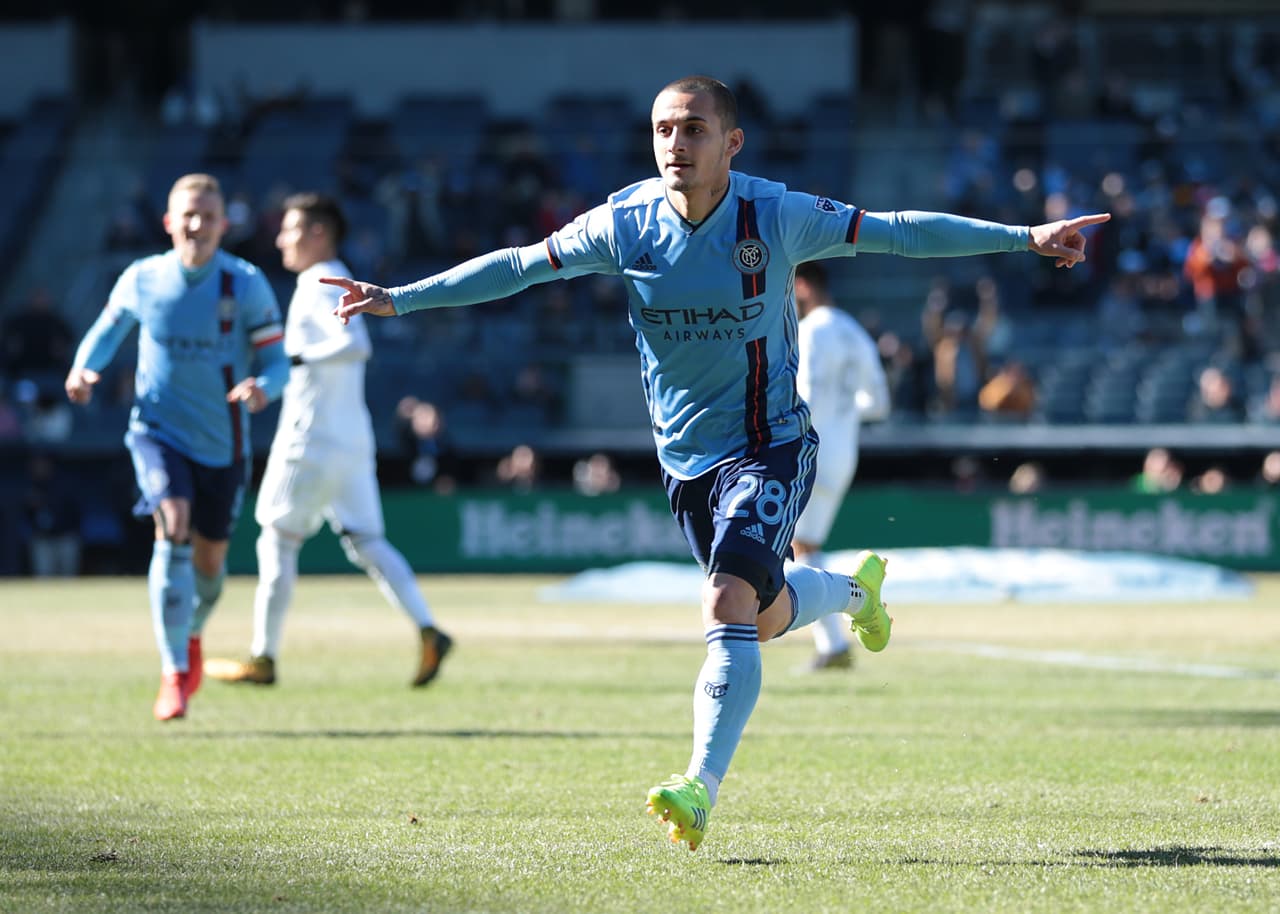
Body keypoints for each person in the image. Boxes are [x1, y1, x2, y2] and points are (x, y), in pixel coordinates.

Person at [321, 76, 1108, 851]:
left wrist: (1023, 238)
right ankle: (852, 592)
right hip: (686, 462)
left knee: (725, 600)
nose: (676, 143)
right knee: (758, 617)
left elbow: (899, 230)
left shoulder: (775, 215)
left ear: (732, 143)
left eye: (694, 129)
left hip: (770, 444)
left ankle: (699, 788)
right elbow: (521, 266)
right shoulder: (624, 223)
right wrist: (401, 297)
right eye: (664, 129)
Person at [65, 173, 291, 721]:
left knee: (210, 568)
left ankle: (190, 634)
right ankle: (171, 673)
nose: (197, 224)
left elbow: (277, 362)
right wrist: (83, 368)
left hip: (223, 445)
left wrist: (264, 387)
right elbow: (106, 331)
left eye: (208, 216)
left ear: (223, 225)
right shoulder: (142, 278)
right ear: (169, 222)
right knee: (173, 518)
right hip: (157, 431)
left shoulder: (245, 284)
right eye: (188, 214)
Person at [203, 193, 452, 689]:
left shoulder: (319, 281)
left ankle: (263, 657)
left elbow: (353, 345)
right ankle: (429, 629)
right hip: (351, 439)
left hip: (311, 439)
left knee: (277, 538)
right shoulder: (334, 276)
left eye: (290, 229)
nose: (281, 239)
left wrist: (293, 360)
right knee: (368, 541)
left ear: (318, 233)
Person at [789, 261, 890, 672]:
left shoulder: (811, 330)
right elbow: (879, 403)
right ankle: (832, 641)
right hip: (843, 453)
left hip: (809, 450)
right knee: (805, 546)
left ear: (802, 285)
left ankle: (844, 623)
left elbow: (806, 394)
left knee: (793, 546)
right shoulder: (855, 331)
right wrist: (844, 413)